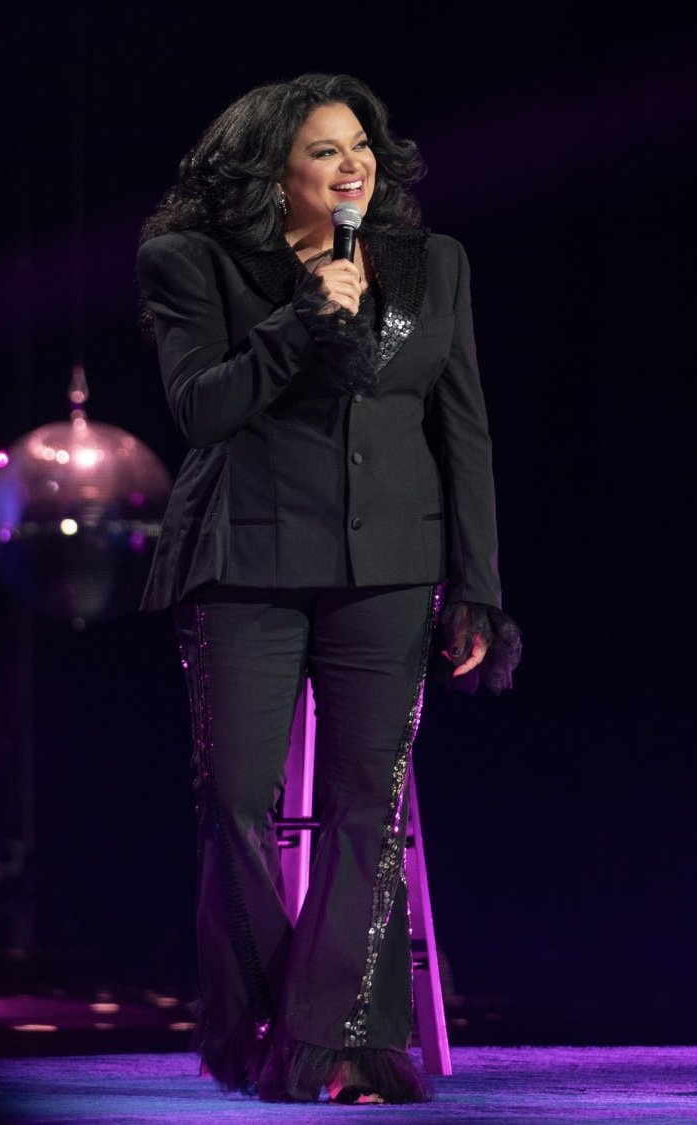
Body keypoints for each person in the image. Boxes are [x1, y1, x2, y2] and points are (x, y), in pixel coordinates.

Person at [136, 74, 520, 1105]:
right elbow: (201, 411)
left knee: (368, 808)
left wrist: (478, 587)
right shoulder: (193, 264)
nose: (352, 164)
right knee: (231, 802)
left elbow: (463, 429)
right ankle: (274, 1022)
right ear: (268, 175)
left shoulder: (429, 265)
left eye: (360, 145)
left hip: (390, 566)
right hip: (244, 563)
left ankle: (331, 1039)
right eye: (322, 150)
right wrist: (301, 318)